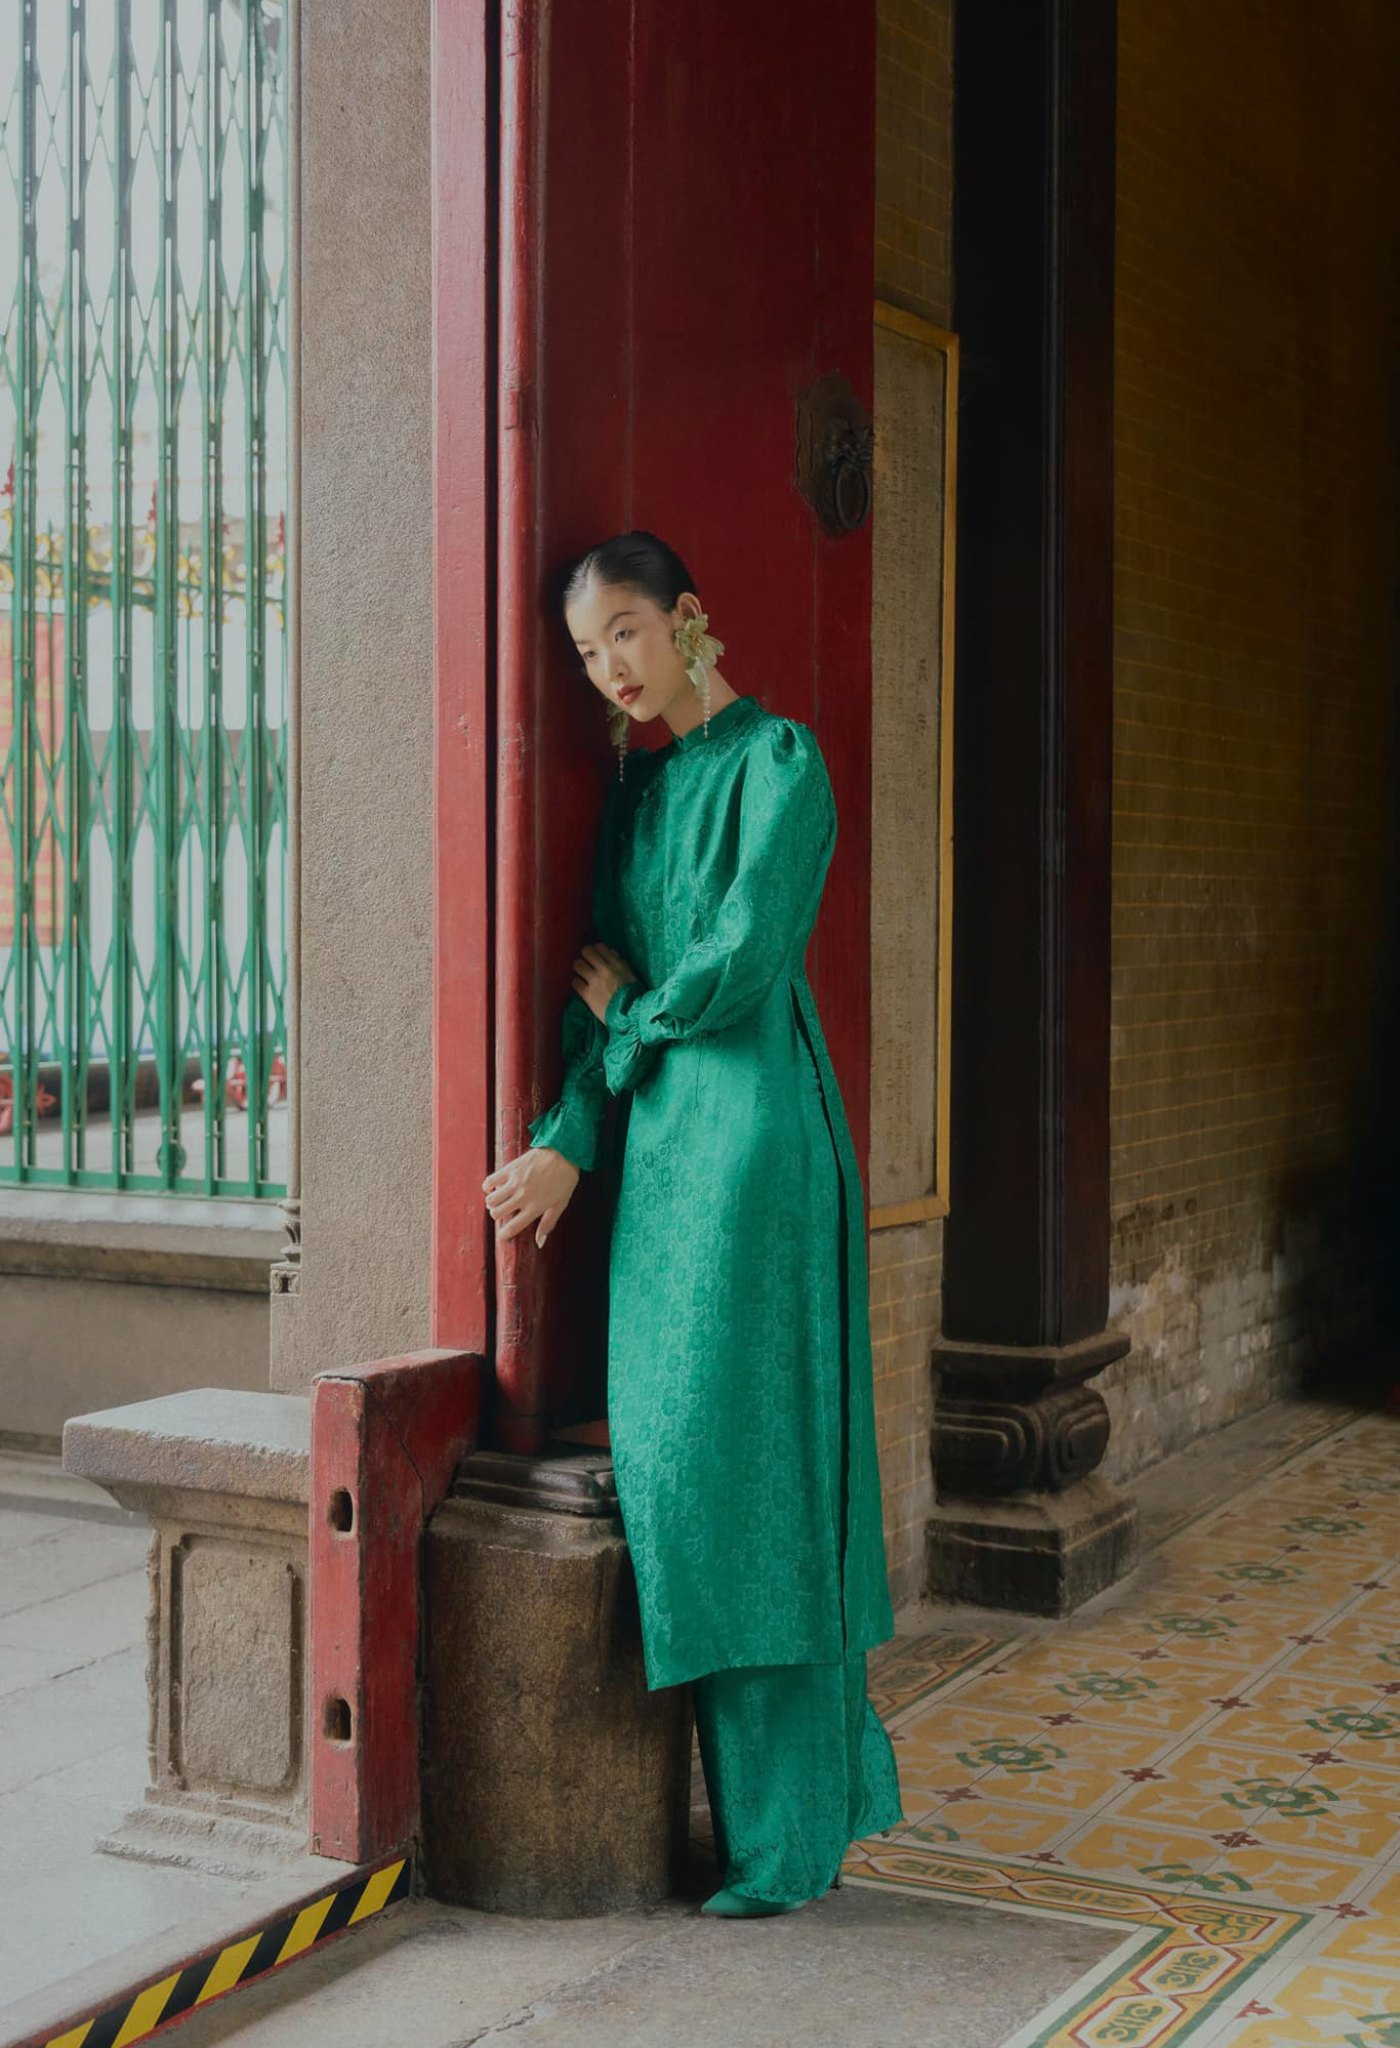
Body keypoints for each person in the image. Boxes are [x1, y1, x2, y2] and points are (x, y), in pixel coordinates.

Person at [481, 529, 905, 1915]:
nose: (610, 668)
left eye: (625, 633)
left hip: (758, 1142)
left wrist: (631, 1019)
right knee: (686, 1472)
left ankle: (789, 1838)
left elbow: (732, 966)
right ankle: (782, 1818)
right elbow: (592, 988)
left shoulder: (783, 765)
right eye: (588, 652)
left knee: (763, 1470)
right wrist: (563, 1145)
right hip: (664, 1153)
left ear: (689, 620)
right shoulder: (641, 800)